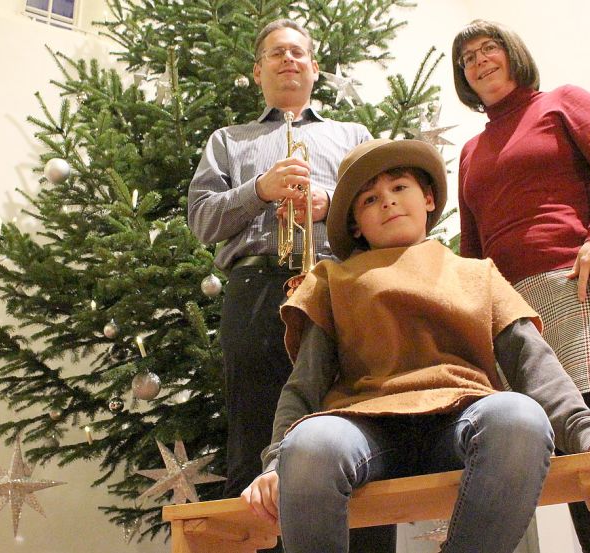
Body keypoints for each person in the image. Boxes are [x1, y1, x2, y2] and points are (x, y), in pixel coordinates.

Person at [241, 138, 590, 553]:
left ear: (428, 198)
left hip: (462, 418)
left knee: (520, 416)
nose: (387, 202)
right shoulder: (333, 280)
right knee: (310, 445)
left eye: (399, 188)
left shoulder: (477, 274)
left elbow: (536, 365)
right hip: (363, 426)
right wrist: (277, 461)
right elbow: (304, 383)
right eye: (369, 199)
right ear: (355, 225)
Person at [451, 19, 590, 553]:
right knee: (565, 434)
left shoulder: (564, 102)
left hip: (582, 277)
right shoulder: (471, 151)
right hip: (515, 304)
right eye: (468, 57)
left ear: (513, 53)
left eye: (489, 48)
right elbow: (472, 242)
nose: (479, 61)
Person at [187, 18, 393, 552]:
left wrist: (330, 204)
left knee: (358, 418)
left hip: (340, 285)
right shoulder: (228, 142)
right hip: (256, 289)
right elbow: (202, 222)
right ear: (258, 71)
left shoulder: (353, 137)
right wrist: (259, 189)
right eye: (276, 54)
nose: (288, 61)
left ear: (315, 67)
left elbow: (385, 217)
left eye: (298, 53)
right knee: (254, 433)